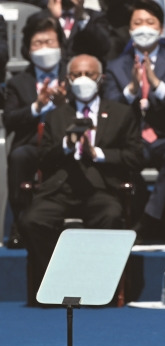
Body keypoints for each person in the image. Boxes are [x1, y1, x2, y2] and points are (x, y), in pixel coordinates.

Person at [18, 54, 143, 297]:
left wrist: (97, 153)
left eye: (89, 74)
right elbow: (42, 159)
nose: (82, 79)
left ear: (101, 79)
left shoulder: (121, 113)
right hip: (61, 188)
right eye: (76, 75)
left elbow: (136, 158)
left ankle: (96, 286)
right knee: (31, 220)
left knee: (110, 216)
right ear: (67, 79)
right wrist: (66, 144)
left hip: (101, 188)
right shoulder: (56, 115)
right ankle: (56, 284)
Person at [104, 0, 165, 244]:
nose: (144, 28)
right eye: (138, 23)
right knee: (117, 161)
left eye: (150, 22)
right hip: (132, 140)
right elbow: (109, 110)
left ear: (161, 29)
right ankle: (162, 220)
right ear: (130, 29)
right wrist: (132, 88)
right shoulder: (115, 66)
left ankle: (147, 221)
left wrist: (156, 83)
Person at [3, 17, 67, 250]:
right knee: (19, 156)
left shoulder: (74, 74)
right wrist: (36, 108)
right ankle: (19, 222)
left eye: (49, 42)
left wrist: (64, 105)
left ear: (60, 43)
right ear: (27, 49)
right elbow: (9, 118)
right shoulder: (18, 83)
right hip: (32, 143)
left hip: (66, 142)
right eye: (37, 43)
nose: (44, 48)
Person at [26, 0, 111, 65]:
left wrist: (82, 17)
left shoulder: (94, 17)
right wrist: (52, 17)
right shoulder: (38, 18)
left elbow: (104, 48)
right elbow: (25, 51)